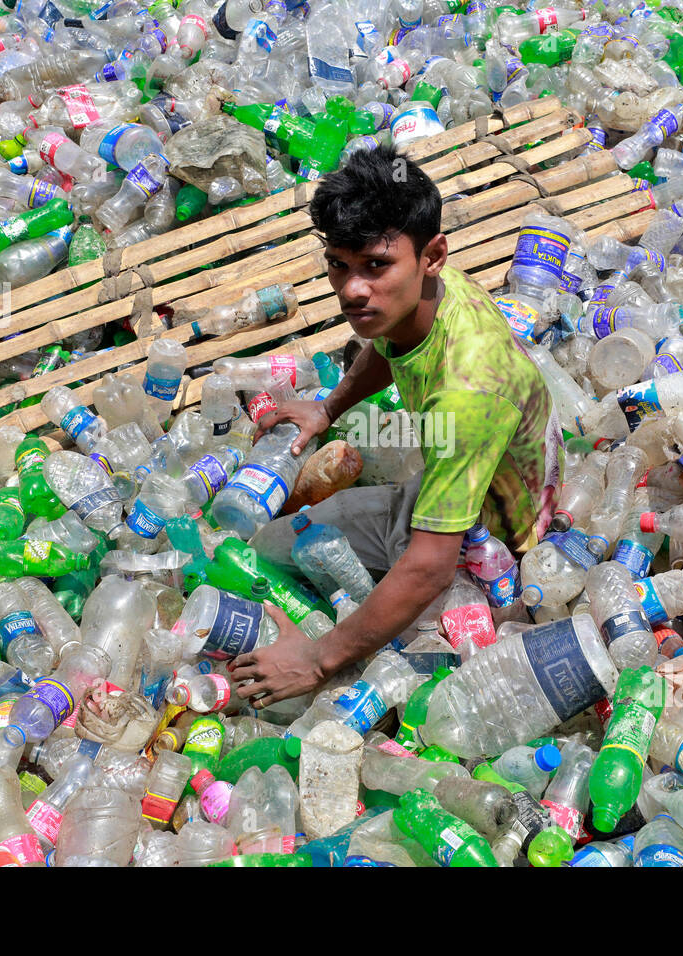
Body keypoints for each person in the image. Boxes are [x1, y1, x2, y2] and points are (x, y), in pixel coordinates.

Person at [230, 144, 563, 707]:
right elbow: (390, 346)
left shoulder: (467, 391)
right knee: (280, 546)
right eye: (339, 265)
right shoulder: (421, 295)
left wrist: (317, 661)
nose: (353, 290)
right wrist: (328, 409)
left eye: (376, 266)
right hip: (467, 480)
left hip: (490, 544)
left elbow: (431, 568)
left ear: (432, 254)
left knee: (285, 569)